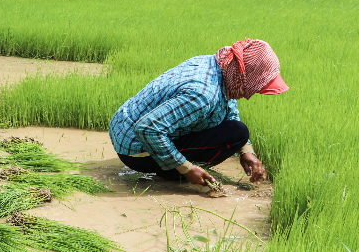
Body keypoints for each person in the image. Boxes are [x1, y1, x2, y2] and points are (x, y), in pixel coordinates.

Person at [109, 38, 289, 186]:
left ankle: (174, 165)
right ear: (244, 76)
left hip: (122, 129)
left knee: (238, 133)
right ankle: (173, 174)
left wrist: (246, 150)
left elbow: (229, 109)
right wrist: (187, 168)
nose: (255, 91)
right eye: (257, 86)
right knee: (237, 133)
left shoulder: (220, 66)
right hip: (135, 151)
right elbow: (147, 129)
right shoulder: (203, 95)